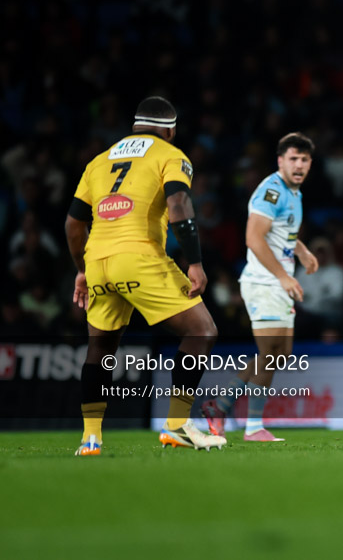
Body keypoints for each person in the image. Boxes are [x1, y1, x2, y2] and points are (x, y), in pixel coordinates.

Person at [65, 96, 224, 455]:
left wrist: (81, 270)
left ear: (135, 126)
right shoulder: (170, 155)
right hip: (139, 256)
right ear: (170, 129)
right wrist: (195, 262)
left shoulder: (99, 161)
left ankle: (91, 439)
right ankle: (177, 425)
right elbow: (179, 204)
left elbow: (74, 224)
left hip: (98, 263)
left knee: (100, 348)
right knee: (202, 331)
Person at [202, 133, 318, 442]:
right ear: (280, 161)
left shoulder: (294, 194)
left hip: (278, 283)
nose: (299, 165)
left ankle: (220, 405)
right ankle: (253, 427)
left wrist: (302, 251)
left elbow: (283, 234)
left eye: (304, 160)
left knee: (281, 353)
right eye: (293, 158)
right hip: (263, 282)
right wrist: (283, 275)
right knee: (269, 353)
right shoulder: (271, 191)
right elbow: (253, 238)